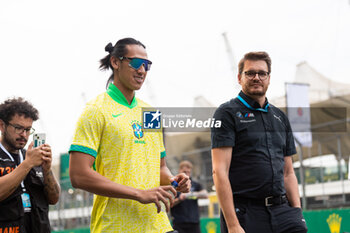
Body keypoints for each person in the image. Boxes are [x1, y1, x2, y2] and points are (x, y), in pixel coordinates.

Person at [69, 37, 191, 233]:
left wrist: (175, 181)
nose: (142, 70)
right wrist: (138, 194)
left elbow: (159, 168)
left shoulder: (151, 112)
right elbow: (78, 175)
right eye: (135, 63)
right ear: (115, 62)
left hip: (159, 225)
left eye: (146, 65)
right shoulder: (95, 110)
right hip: (115, 226)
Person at [211, 52, 308, 233]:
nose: (257, 77)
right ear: (239, 78)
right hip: (246, 213)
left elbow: (288, 172)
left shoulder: (280, 117)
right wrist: (233, 225)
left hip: (283, 211)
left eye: (262, 73)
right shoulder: (226, 113)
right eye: (250, 73)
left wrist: (297, 213)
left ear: (269, 78)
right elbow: (219, 171)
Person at [0, 97, 60, 233]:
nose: (24, 135)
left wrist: (47, 168)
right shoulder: (30, 160)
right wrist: (27, 164)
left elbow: (54, 198)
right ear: (2, 126)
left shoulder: (33, 156)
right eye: (18, 128)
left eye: (28, 130)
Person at [170, 160, 208, 233]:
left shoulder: (196, 184)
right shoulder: (174, 185)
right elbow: (169, 204)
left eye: (188, 171)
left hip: (194, 222)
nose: (186, 174)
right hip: (179, 223)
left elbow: (205, 194)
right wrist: (179, 199)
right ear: (179, 171)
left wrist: (190, 194)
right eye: (184, 171)